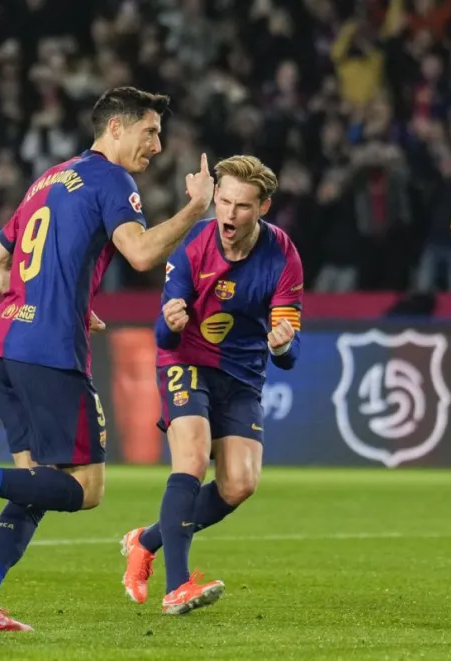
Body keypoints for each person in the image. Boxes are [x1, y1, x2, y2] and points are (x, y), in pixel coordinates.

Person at [0, 86, 217, 632]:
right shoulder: (110, 179)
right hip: (49, 351)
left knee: (37, 485)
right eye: (150, 131)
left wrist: (55, 299)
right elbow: (143, 252)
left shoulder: (47, 179)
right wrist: (197, 208)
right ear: (116, 128)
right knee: (85, 489)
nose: (158, 144)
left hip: (4, 342)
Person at [120, 154, 303, 615]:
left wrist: (281, 345)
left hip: (242, 374)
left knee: (239, 484)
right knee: (193, 456)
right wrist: (170, 320)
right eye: (223, 202)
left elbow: (289, 357)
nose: (228, 214)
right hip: (185, 359)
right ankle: (176, 586)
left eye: (242, 206)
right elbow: (163, 336)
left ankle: (146, 540)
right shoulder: (193, 246)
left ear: (263, 206)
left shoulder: (283, 255)